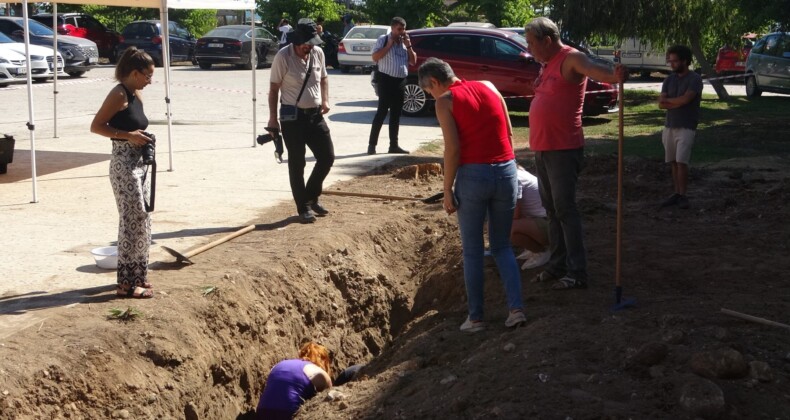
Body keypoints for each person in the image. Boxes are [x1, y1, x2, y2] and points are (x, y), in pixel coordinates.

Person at [418, 57, 526, 332]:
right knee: (502, 246)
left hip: (473, 176)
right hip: (506, 171)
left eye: (429, 91)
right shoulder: (490, 86)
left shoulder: (445, 101)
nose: (432, 96)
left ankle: (476, 317)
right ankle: (516, 310)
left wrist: (447, 191)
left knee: (473, 251)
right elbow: (510, 133)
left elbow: (452, 149)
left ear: (434, 82)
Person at [524, 17, 628, 290]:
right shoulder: (547, 64)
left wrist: (614, 75)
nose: (529, 48)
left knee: (565, 209)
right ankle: (557, 265)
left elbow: (594, 69)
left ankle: (577, 272)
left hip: (563, 148)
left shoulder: (571, 58)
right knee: (552, 210)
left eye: (532, 43)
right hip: (543, 148)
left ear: (547, 41)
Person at [89, 47, 156, 299]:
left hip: (140, 164)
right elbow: (96, 126)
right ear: (135, 73)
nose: (150, 81)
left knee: (143, 218)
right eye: (148, 75)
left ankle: (139, 275)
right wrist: (127, 136)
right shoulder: (118, 93)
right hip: (123, 164)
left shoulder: (136, 93)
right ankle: (126, 284)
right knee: (131, 221)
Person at [267, 18, 335, 224]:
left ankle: (312, 196)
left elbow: (323, 78)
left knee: (327, 157)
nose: (310, 46)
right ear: (297, 41)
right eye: (307, 42)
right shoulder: (283, 56)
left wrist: (325, 99)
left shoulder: (318, 53)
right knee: (297, 163)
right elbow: (273, 89)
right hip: (292, 118)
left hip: (315, 115)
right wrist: (272, 119)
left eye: (313, 42)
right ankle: (303, 207)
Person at [658, 45, 703, 210]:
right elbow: (661, 104)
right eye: (670, 61)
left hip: (686, 126)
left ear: (685, 61)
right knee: (673, 162)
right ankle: (676, 193)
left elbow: (687, 99)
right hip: (669, 125)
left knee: (682, 162)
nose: (672, 64)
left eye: (675, 61)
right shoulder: (668, 80)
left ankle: (683, 195)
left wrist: (671, 102)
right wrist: (675, 102)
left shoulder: (695, 79)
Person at [367, 17, 416, 155]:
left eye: (404, 29)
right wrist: (389, 45)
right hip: (386, 80)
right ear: (393, 28)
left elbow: (413, 62)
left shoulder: (404, 43)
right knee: (381, 113)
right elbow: (375, 57)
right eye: (399, 29)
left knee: (396, 114)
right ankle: (372, 146)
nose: (402, 32)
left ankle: (393, 145)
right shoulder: (383, 39)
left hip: (400, 81)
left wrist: (409, 46)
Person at [256, 342, 333, 419]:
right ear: (324, 360)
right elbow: (330, 396)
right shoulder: (318, 371)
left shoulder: (280, 364)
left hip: (262, 411)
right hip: (287, 413)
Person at [511, 166, 550, 270]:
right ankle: (533, 248)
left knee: (507, 228)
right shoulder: (516, 172)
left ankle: (542, 252)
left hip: (550, 224)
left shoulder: (513, 178)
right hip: (543, 220)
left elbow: (515, 214)